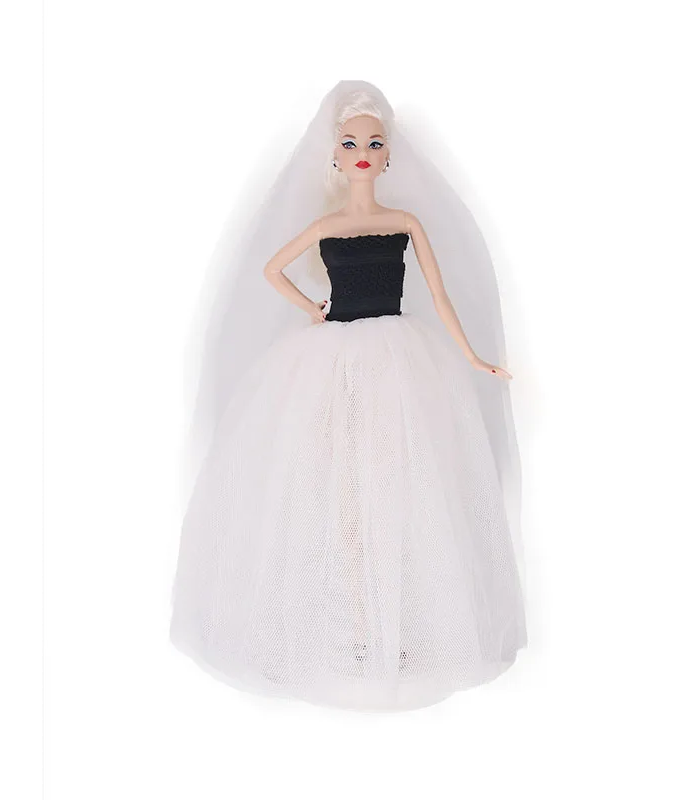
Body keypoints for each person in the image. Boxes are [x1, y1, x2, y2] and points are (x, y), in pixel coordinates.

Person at [169, 80, 527, 712]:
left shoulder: (404, 223)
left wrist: (472, 356)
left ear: (389, 155)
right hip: (332, 361)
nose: (363, 153)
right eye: (352, 143)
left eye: (375, 143)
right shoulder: (326, 226)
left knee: (401, 480)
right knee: (338, 485)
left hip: (399, 359)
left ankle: (398, 624)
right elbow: (271, 269)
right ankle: (353, 623)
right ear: (334, 154)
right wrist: (311, 308)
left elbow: (439, 295)